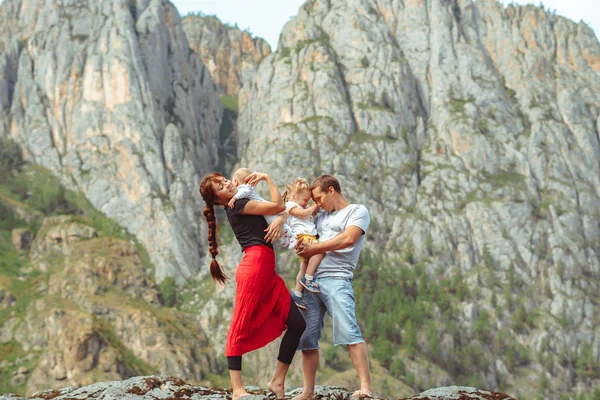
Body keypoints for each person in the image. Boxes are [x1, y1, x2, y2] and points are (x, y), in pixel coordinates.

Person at [199, 171, 306, 400]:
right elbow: (278, 205)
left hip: (268, 270)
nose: (226, 183)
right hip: (255, 268)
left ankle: (277, 381)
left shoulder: (241, 198)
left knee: (297, 323)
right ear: (217, 199)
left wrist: (280, 216)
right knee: (239, 326)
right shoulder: (238, 205)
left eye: (224, 180)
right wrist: (268, 178)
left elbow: (244, 176)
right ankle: (237, 389)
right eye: (220, 185)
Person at [293, 175, 372, 400]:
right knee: (307, 337)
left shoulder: (357, 211)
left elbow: (348, 239)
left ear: (330, 190)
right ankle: (307, 391)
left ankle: (365, 387)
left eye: (318, 198)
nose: (317, 204)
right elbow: (305, 232)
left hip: (337, 279)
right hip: (311, 280)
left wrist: (315, 247)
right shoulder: (321, 216)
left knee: (349, 331)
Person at [228, 167, 297, 250]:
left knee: (275, 223)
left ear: (235, 182)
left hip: (266, 210)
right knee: (274, 226)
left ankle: (292, 237)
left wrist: (234, 198)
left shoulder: (243, 188)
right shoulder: (248, 188)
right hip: (265, 209)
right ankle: (285, 238)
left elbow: (244, 192)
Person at [281, 178, 323, 311]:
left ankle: (297, 294)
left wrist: (314, 209)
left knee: (304, 265)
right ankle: (308, 279)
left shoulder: (300, 206)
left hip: (306, 236)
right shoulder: (290, 206)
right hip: (302, 236)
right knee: (320, 251)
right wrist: (314, 206)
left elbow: (307, 213)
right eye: (305, 200)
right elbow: (304, 214)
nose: (306, 203)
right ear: (293, 196)